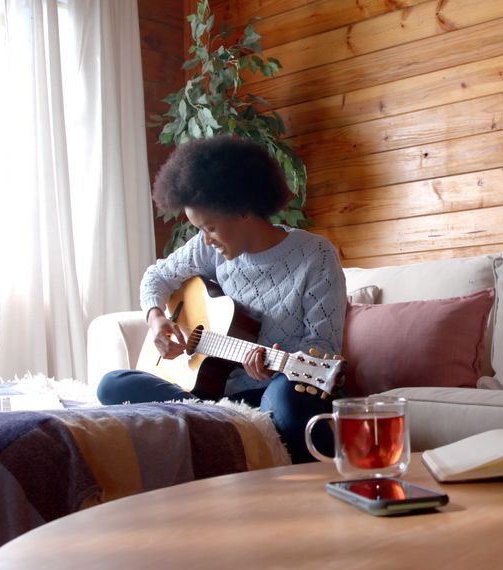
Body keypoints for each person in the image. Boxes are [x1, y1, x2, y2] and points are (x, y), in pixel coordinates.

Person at [97, 135, 346, 464]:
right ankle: (213, 420)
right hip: (210, 393)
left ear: (243, 209)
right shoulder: (206, 248)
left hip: (279, 388)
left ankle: (212, 426)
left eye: (210, 227)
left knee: (288, 399)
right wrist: (157, 318)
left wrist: (276, 367)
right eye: (199, 229)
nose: (205, 239)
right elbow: (155, 277)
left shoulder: (314, 255)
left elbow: (323, 344)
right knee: (112, 385)